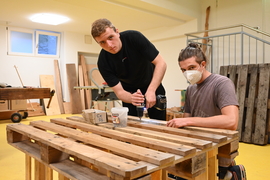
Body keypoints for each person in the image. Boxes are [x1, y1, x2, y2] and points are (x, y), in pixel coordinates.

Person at [167, 43, 246, 180]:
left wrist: (188, 120)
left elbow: (231, 121)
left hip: (217, 147)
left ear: (203, 64)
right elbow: (187, 123)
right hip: (197, 146)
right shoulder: (191, 89)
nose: (188, 73)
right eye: (183, 70)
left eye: (191, 67)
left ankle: (231, 173)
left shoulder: (221, 83)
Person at [91, 18, 167, 120]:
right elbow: (120, 92)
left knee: (159, 124)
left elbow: (161, 63)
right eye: (102, 42)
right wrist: (131, 98)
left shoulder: (134, 38)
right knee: (132, 125)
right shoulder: (103, 62)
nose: (109, 45)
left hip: (153, 85)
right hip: (129, 93)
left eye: (111, 37)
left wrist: (151, 90)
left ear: (117, 32)